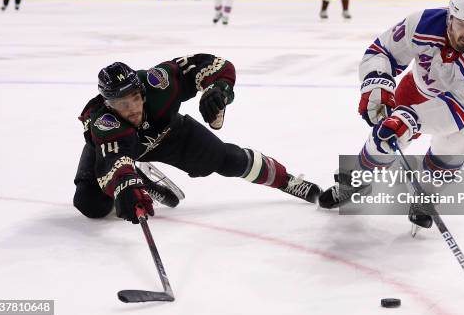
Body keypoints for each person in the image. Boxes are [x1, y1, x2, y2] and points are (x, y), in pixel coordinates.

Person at [319, 0, 464, 231]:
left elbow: (457, 110)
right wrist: (376, 84)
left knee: (456, 138)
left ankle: (426, 194)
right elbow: (383, 51)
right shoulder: (423, 23)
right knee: (386, 135)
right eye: (461, 25)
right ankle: (360, 179)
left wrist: (409, 118)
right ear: (450, 17)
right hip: (422, 84)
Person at [74, 54, 322, 224]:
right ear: (108, 104)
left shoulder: (159, 83)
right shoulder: (104, 123)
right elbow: (114, 161)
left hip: (169, 134)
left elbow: (217, 65)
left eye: (136, 98)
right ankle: (138, 177)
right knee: (90, 204)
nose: (133, 109)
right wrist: (125, 184)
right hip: (123, 149)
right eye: (122, 104)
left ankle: (285, 180)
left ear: (142, 91)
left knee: (228, 160)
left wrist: (218, 90)